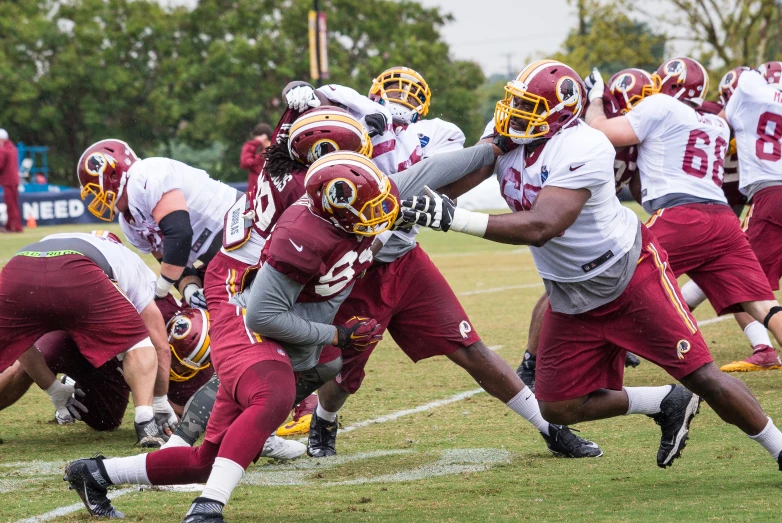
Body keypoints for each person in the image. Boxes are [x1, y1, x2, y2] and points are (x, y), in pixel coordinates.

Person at [403, 59, 782, 471]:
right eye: (516, 103)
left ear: (561, 113)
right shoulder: (511, 142)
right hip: (569, 292)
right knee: (557, 406)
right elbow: (448, 185)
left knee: (704, 376)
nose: (515, 114)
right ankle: (664, 401)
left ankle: (779, 447)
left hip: (628, 277)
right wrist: (424, 189)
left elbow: (543, 225)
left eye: (529, 107)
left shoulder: (585, 144)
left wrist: (452, 217)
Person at [64, 151, 397, 522]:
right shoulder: (303, 223)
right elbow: (261, 311)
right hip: (235, 292)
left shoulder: (316, 203)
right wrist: (335, 334)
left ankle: (95, 473)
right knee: (275, 389)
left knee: (205, 461)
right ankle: (208, 508)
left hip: (235, 283)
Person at [307, 68, 600, 460]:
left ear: (425, 105)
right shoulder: (353, 124)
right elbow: (317, 104)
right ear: (371, 95)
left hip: (406, 259)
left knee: (470, 347)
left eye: (411, 96)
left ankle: (550, 428)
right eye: (393, 93)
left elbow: (446, 185)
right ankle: (323, 419)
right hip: (362, 265)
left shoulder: (437, 134)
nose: (401, 101)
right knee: (344, 371)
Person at [585, 57, 782, 369]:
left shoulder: (661, 105)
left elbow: (602, 130)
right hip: (723, 219)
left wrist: (595, 98)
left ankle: (596, 356)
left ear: (670, 83)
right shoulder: (715, 123)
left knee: (615, 277)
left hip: (682, 215)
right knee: (763, 304)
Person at [0, 231, 175, 446]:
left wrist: (53, 389)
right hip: (78, 269)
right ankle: (145, 421)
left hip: (20, 267)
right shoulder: (131, 264)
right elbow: (158, 345)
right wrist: (160, 403)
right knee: (139, 343)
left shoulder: (53, 240)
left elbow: (21, 342)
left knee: (15, 339)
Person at [77, 139, 242, 310]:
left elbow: (180, 234)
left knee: (246, 311)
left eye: (96, 190)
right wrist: (190, 291)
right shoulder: (128, 223)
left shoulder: (144, 176)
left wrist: (160, 289)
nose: (97, 197)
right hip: (219, 255)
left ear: (113, 175)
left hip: (242, 229)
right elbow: (173, 262)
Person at [0, 300, 212, 431]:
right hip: (79, 338)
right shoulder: (146, 307)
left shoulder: (200, 368)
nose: (180, 371)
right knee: (40, 357)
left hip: (114, 364)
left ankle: (76, 383)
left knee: (105, 421)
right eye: (177, 362)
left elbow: (182, 414)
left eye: (186, 369)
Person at [240, 122, 273, 194]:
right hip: (257, 192)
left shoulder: (274, 151)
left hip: (267, 192)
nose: (255, 139)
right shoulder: (258, 150)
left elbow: (244, 162)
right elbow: (244, 163)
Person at [0, 128, 22, 233]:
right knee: (14, 204)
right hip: (15, 180)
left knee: (11, 205)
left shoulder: (3, 150)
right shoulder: (13, 148)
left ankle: (14, 227)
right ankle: (11, 225)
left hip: (7, 181)